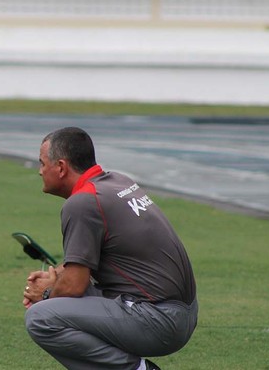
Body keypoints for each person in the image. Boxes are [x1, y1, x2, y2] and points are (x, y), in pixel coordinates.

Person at [22, 127, 197, 370]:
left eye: (42, 163)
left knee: (41, 318)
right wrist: (55, 276)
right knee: (58, 303)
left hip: (159, 320)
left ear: (61, 167)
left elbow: (74, 285)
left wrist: (45, 294)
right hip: (181, 312)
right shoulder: (117, 182)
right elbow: (79, 267)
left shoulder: (82, 202)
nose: (40, 171)